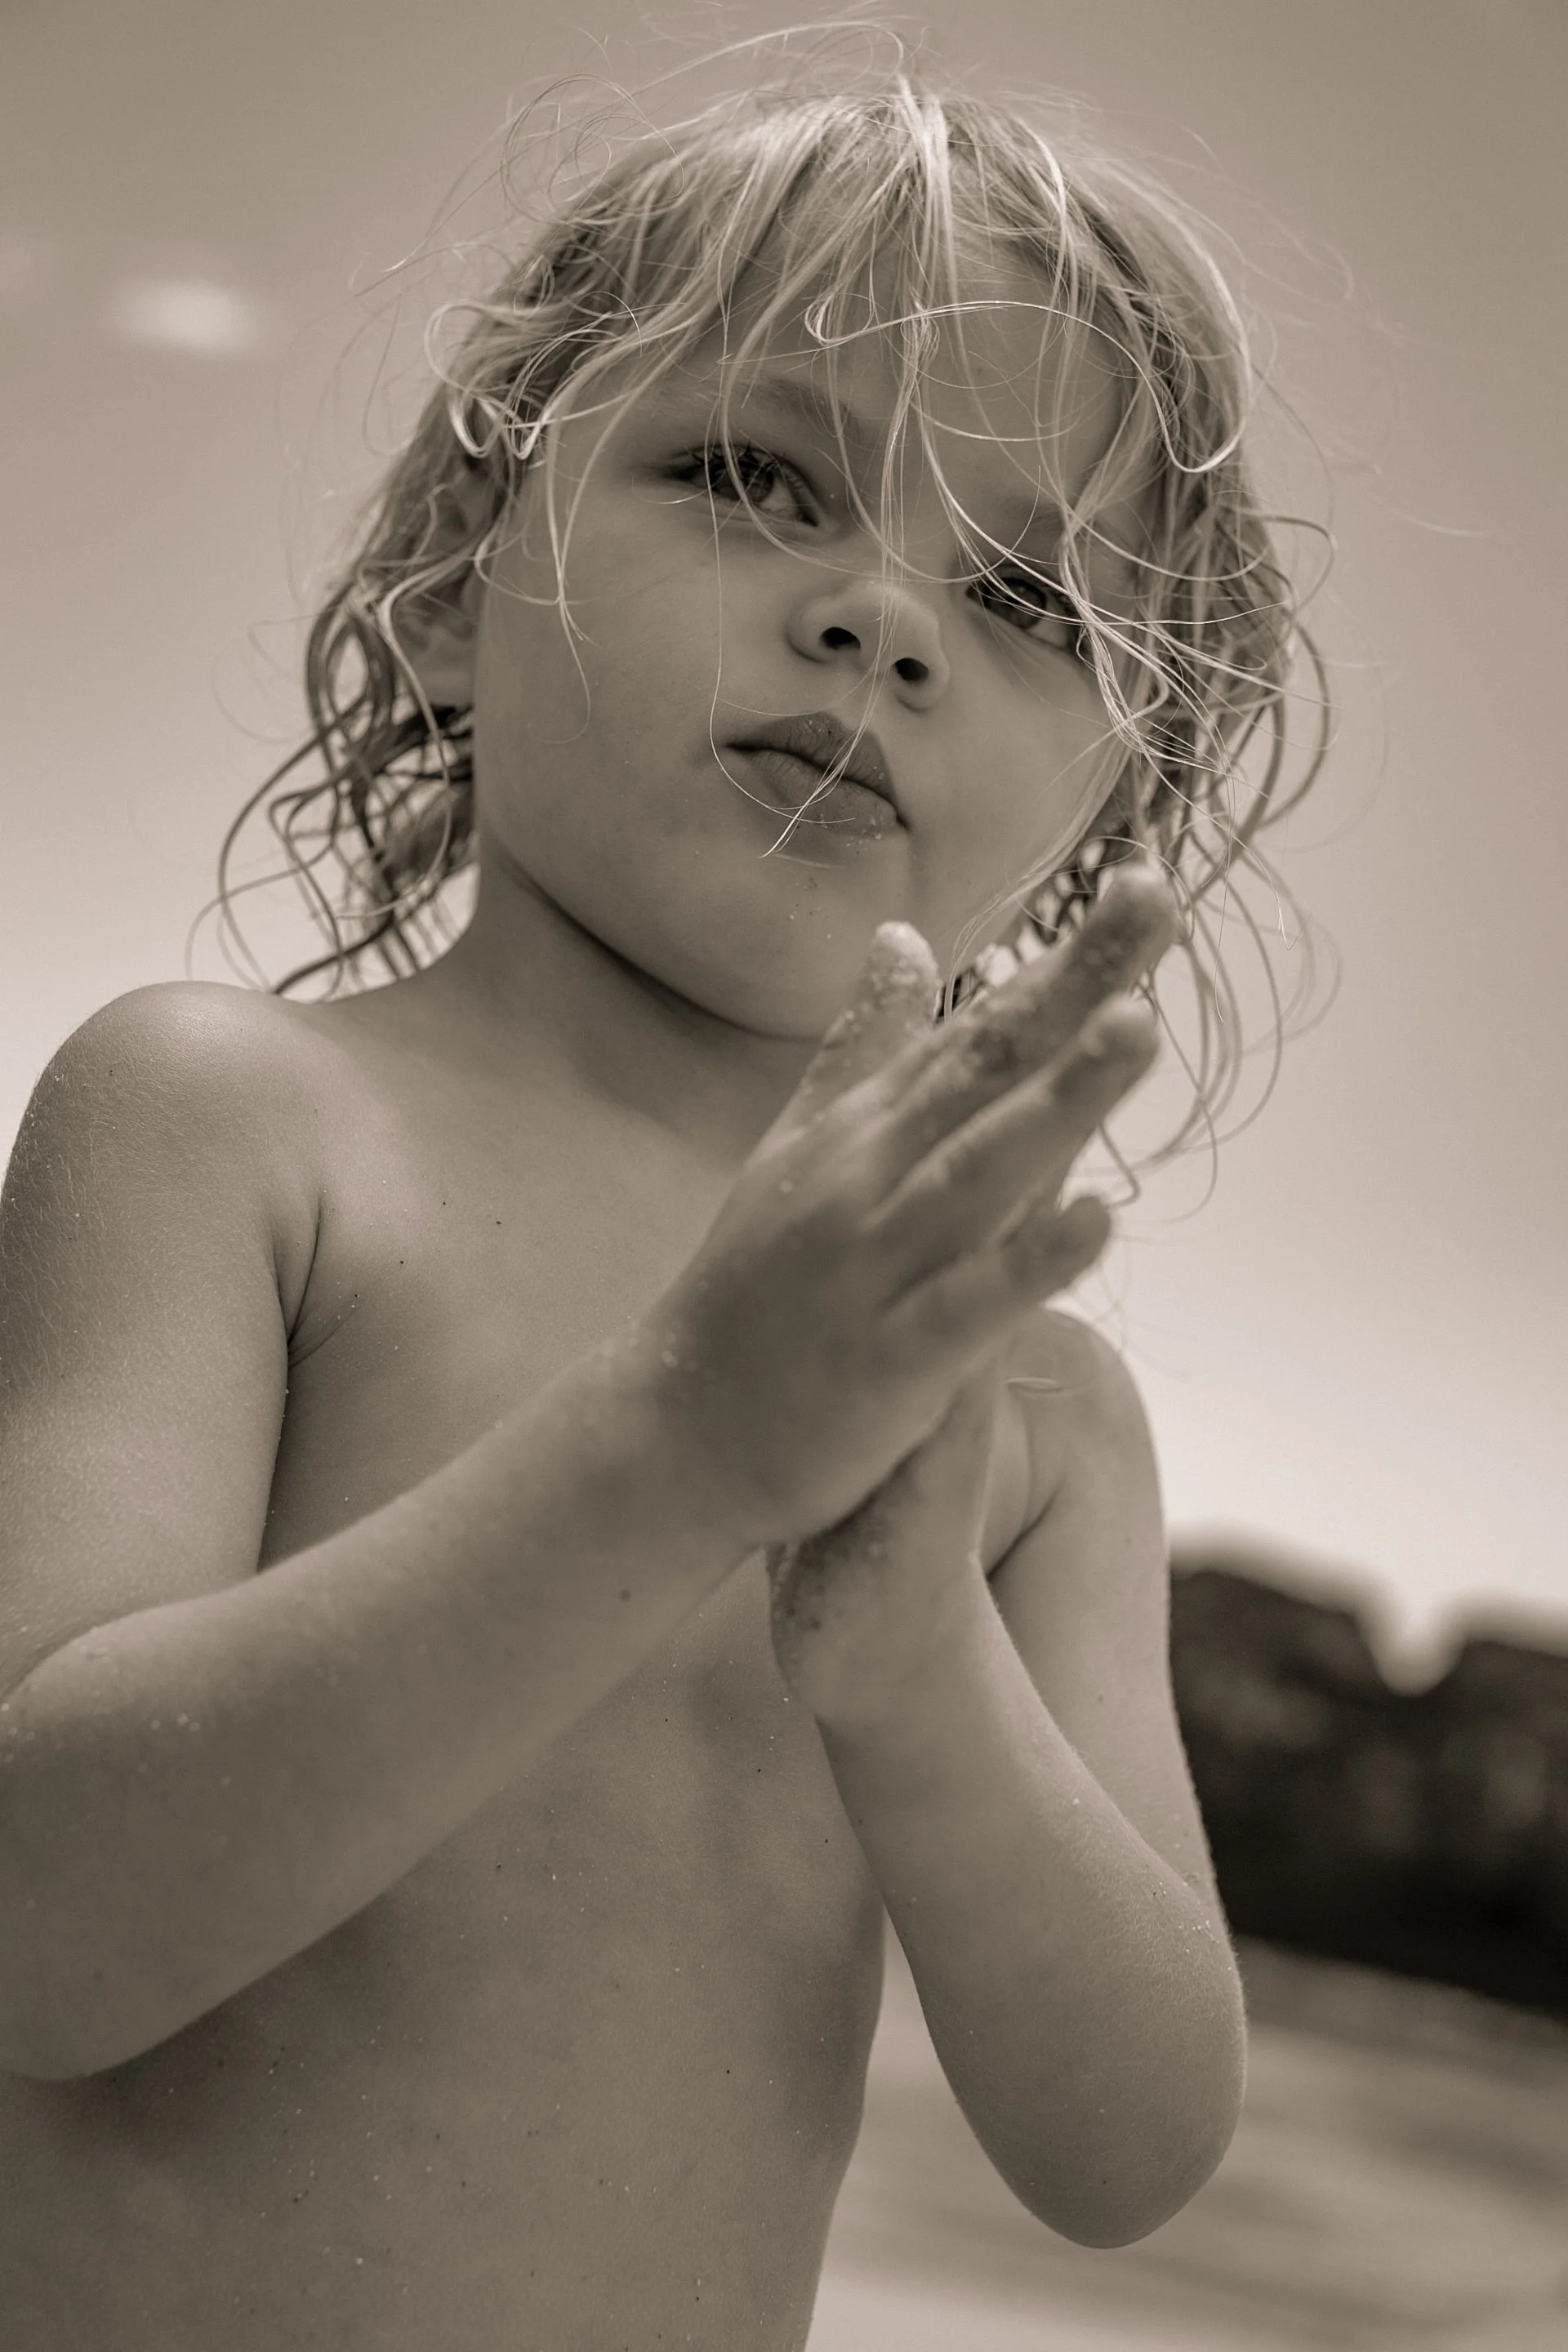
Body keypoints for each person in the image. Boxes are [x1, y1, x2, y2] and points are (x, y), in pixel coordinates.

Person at [0, 48, 1321, 2352]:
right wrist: (686, 1441)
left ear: (1108, 818)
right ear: (439, 585)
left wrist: (915, 1670)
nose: (885, 622)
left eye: (1027, 599)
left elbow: (1126, 2153)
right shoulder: (234, 1126)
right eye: (750, 475)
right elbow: (39, 1934)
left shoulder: (1025, 1415)